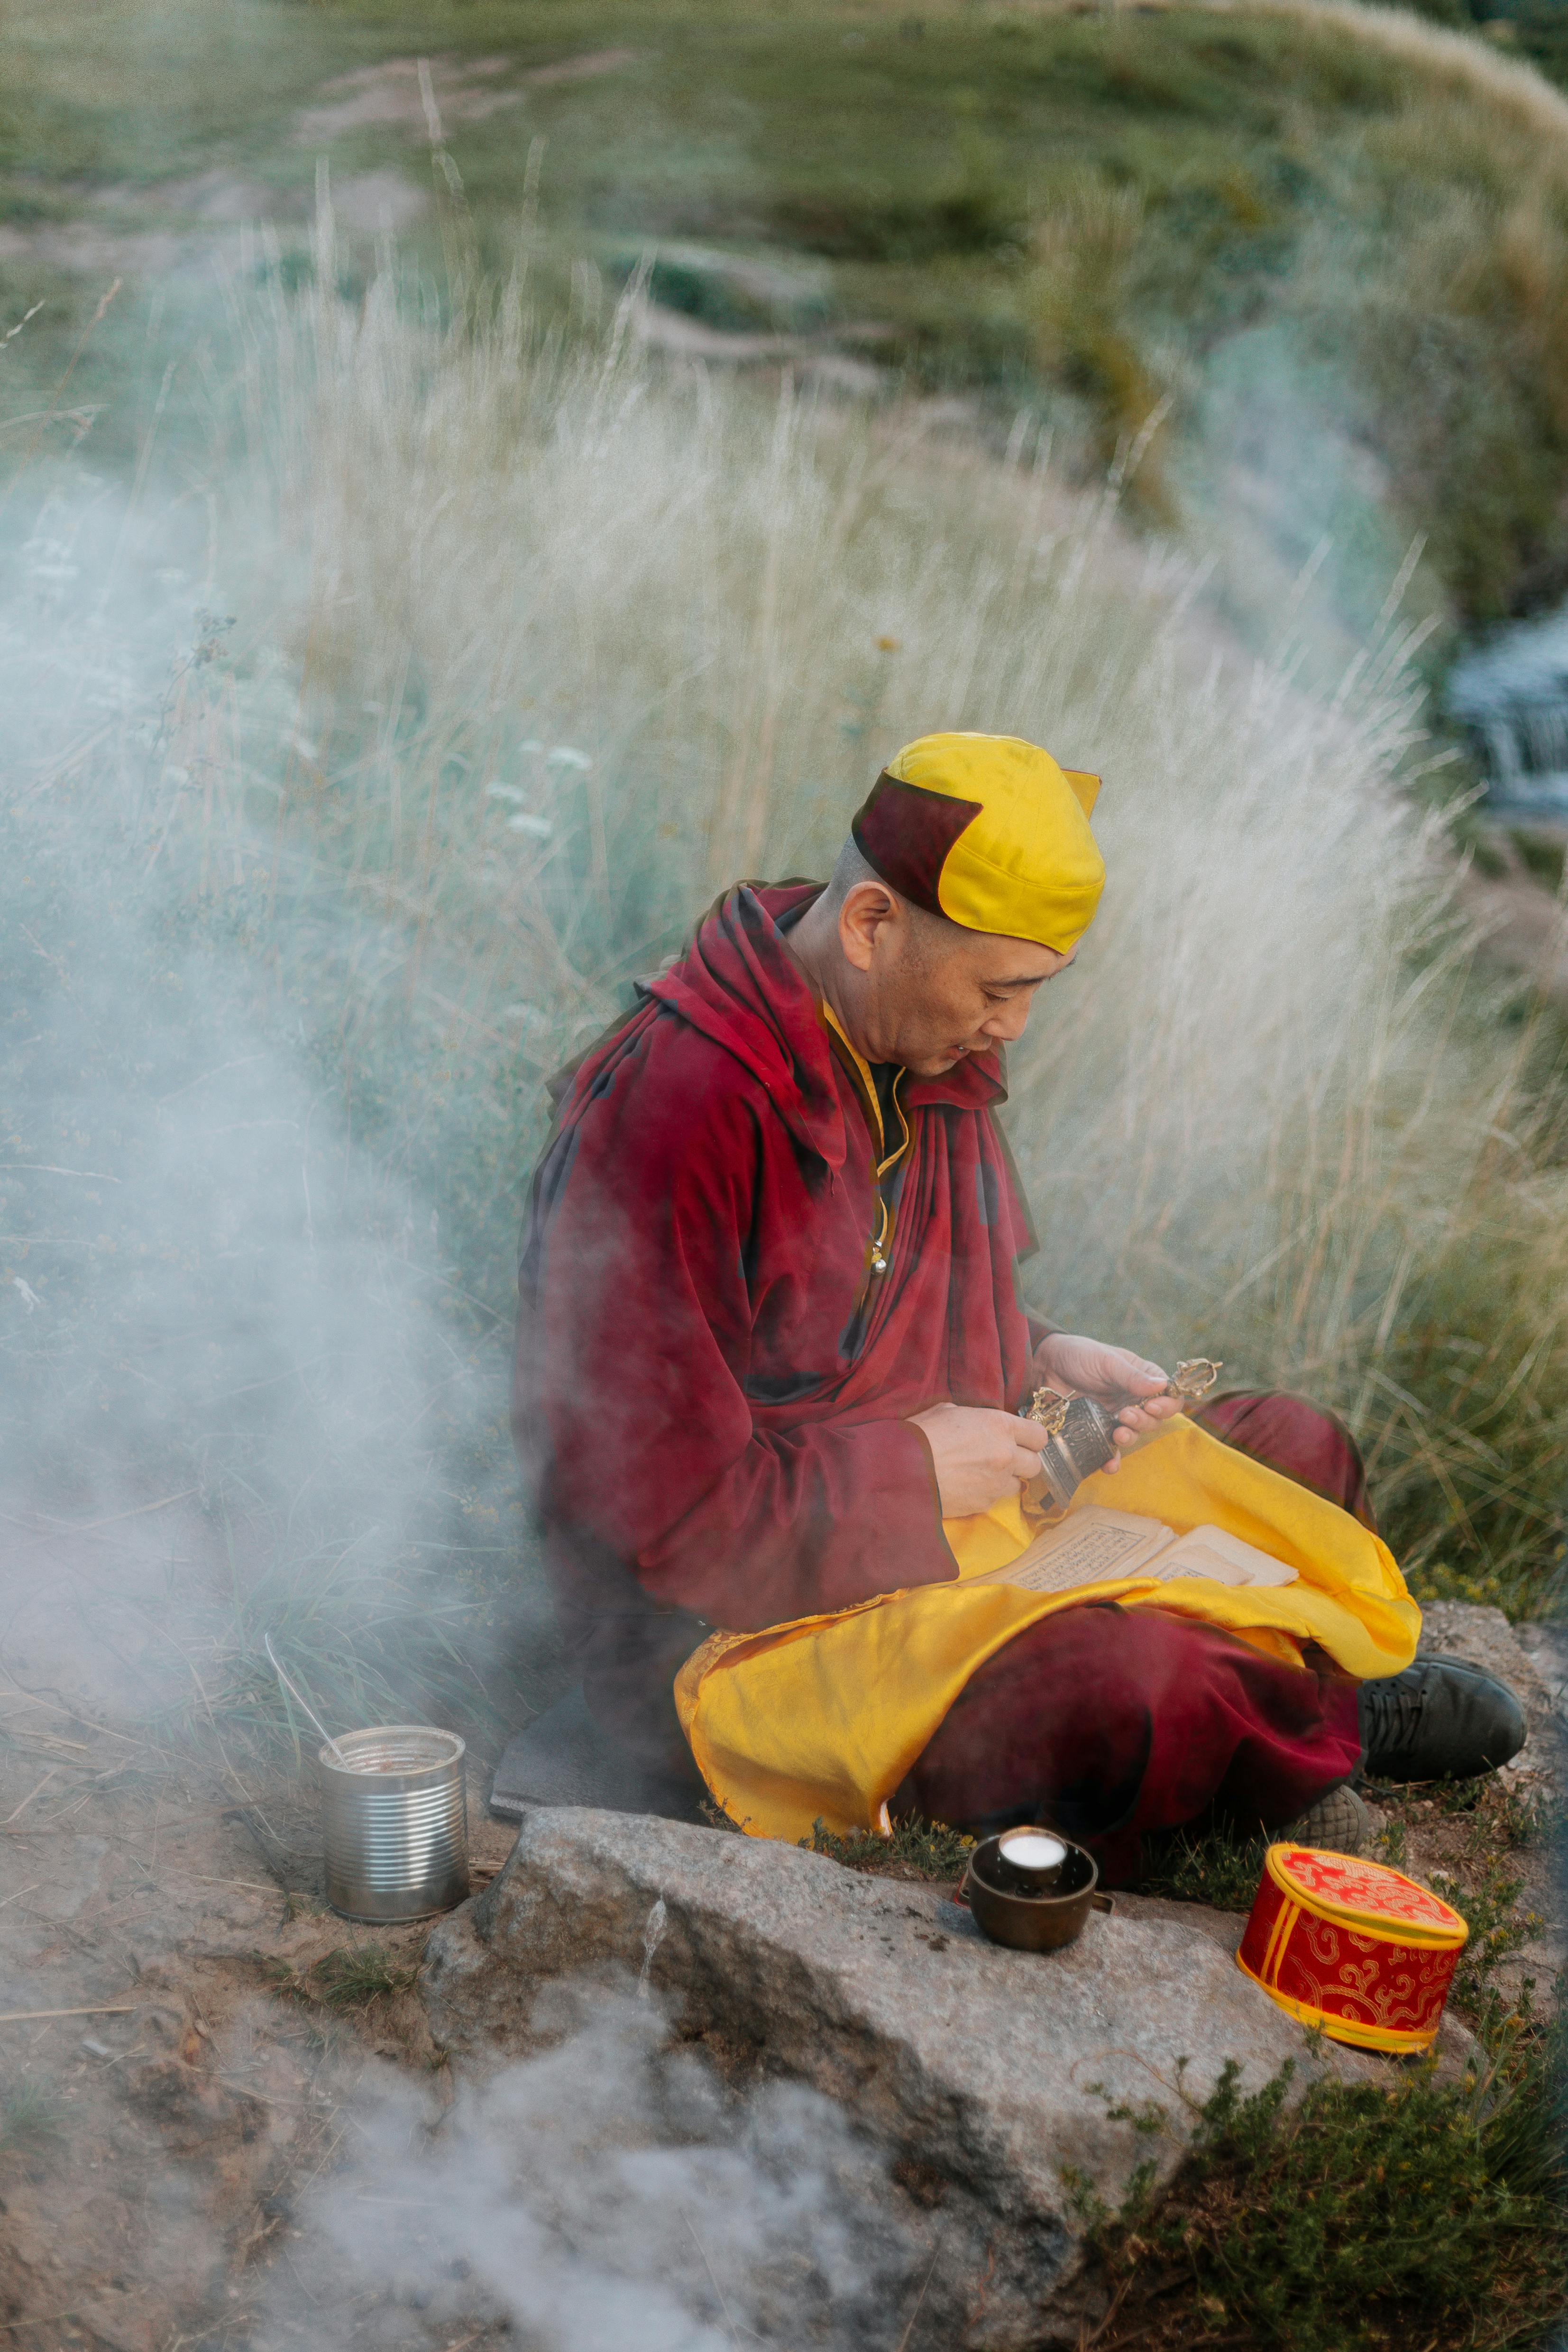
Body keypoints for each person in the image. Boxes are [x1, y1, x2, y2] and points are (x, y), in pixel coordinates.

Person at [513, 732, 1523, 1882]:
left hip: (958, 1532)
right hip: (748, 1630)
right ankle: (1307, 1714)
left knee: (1293, 1451)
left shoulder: (899, 1034)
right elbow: (658, 1524)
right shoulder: (675, 1112)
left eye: (1035, 989)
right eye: (1000, 989)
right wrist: (913, 1472)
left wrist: (1040, 1355)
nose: (1015, 1029)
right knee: (1134, 1688)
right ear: (870, 925)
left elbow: (862, 1304)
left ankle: (1271, 1715)